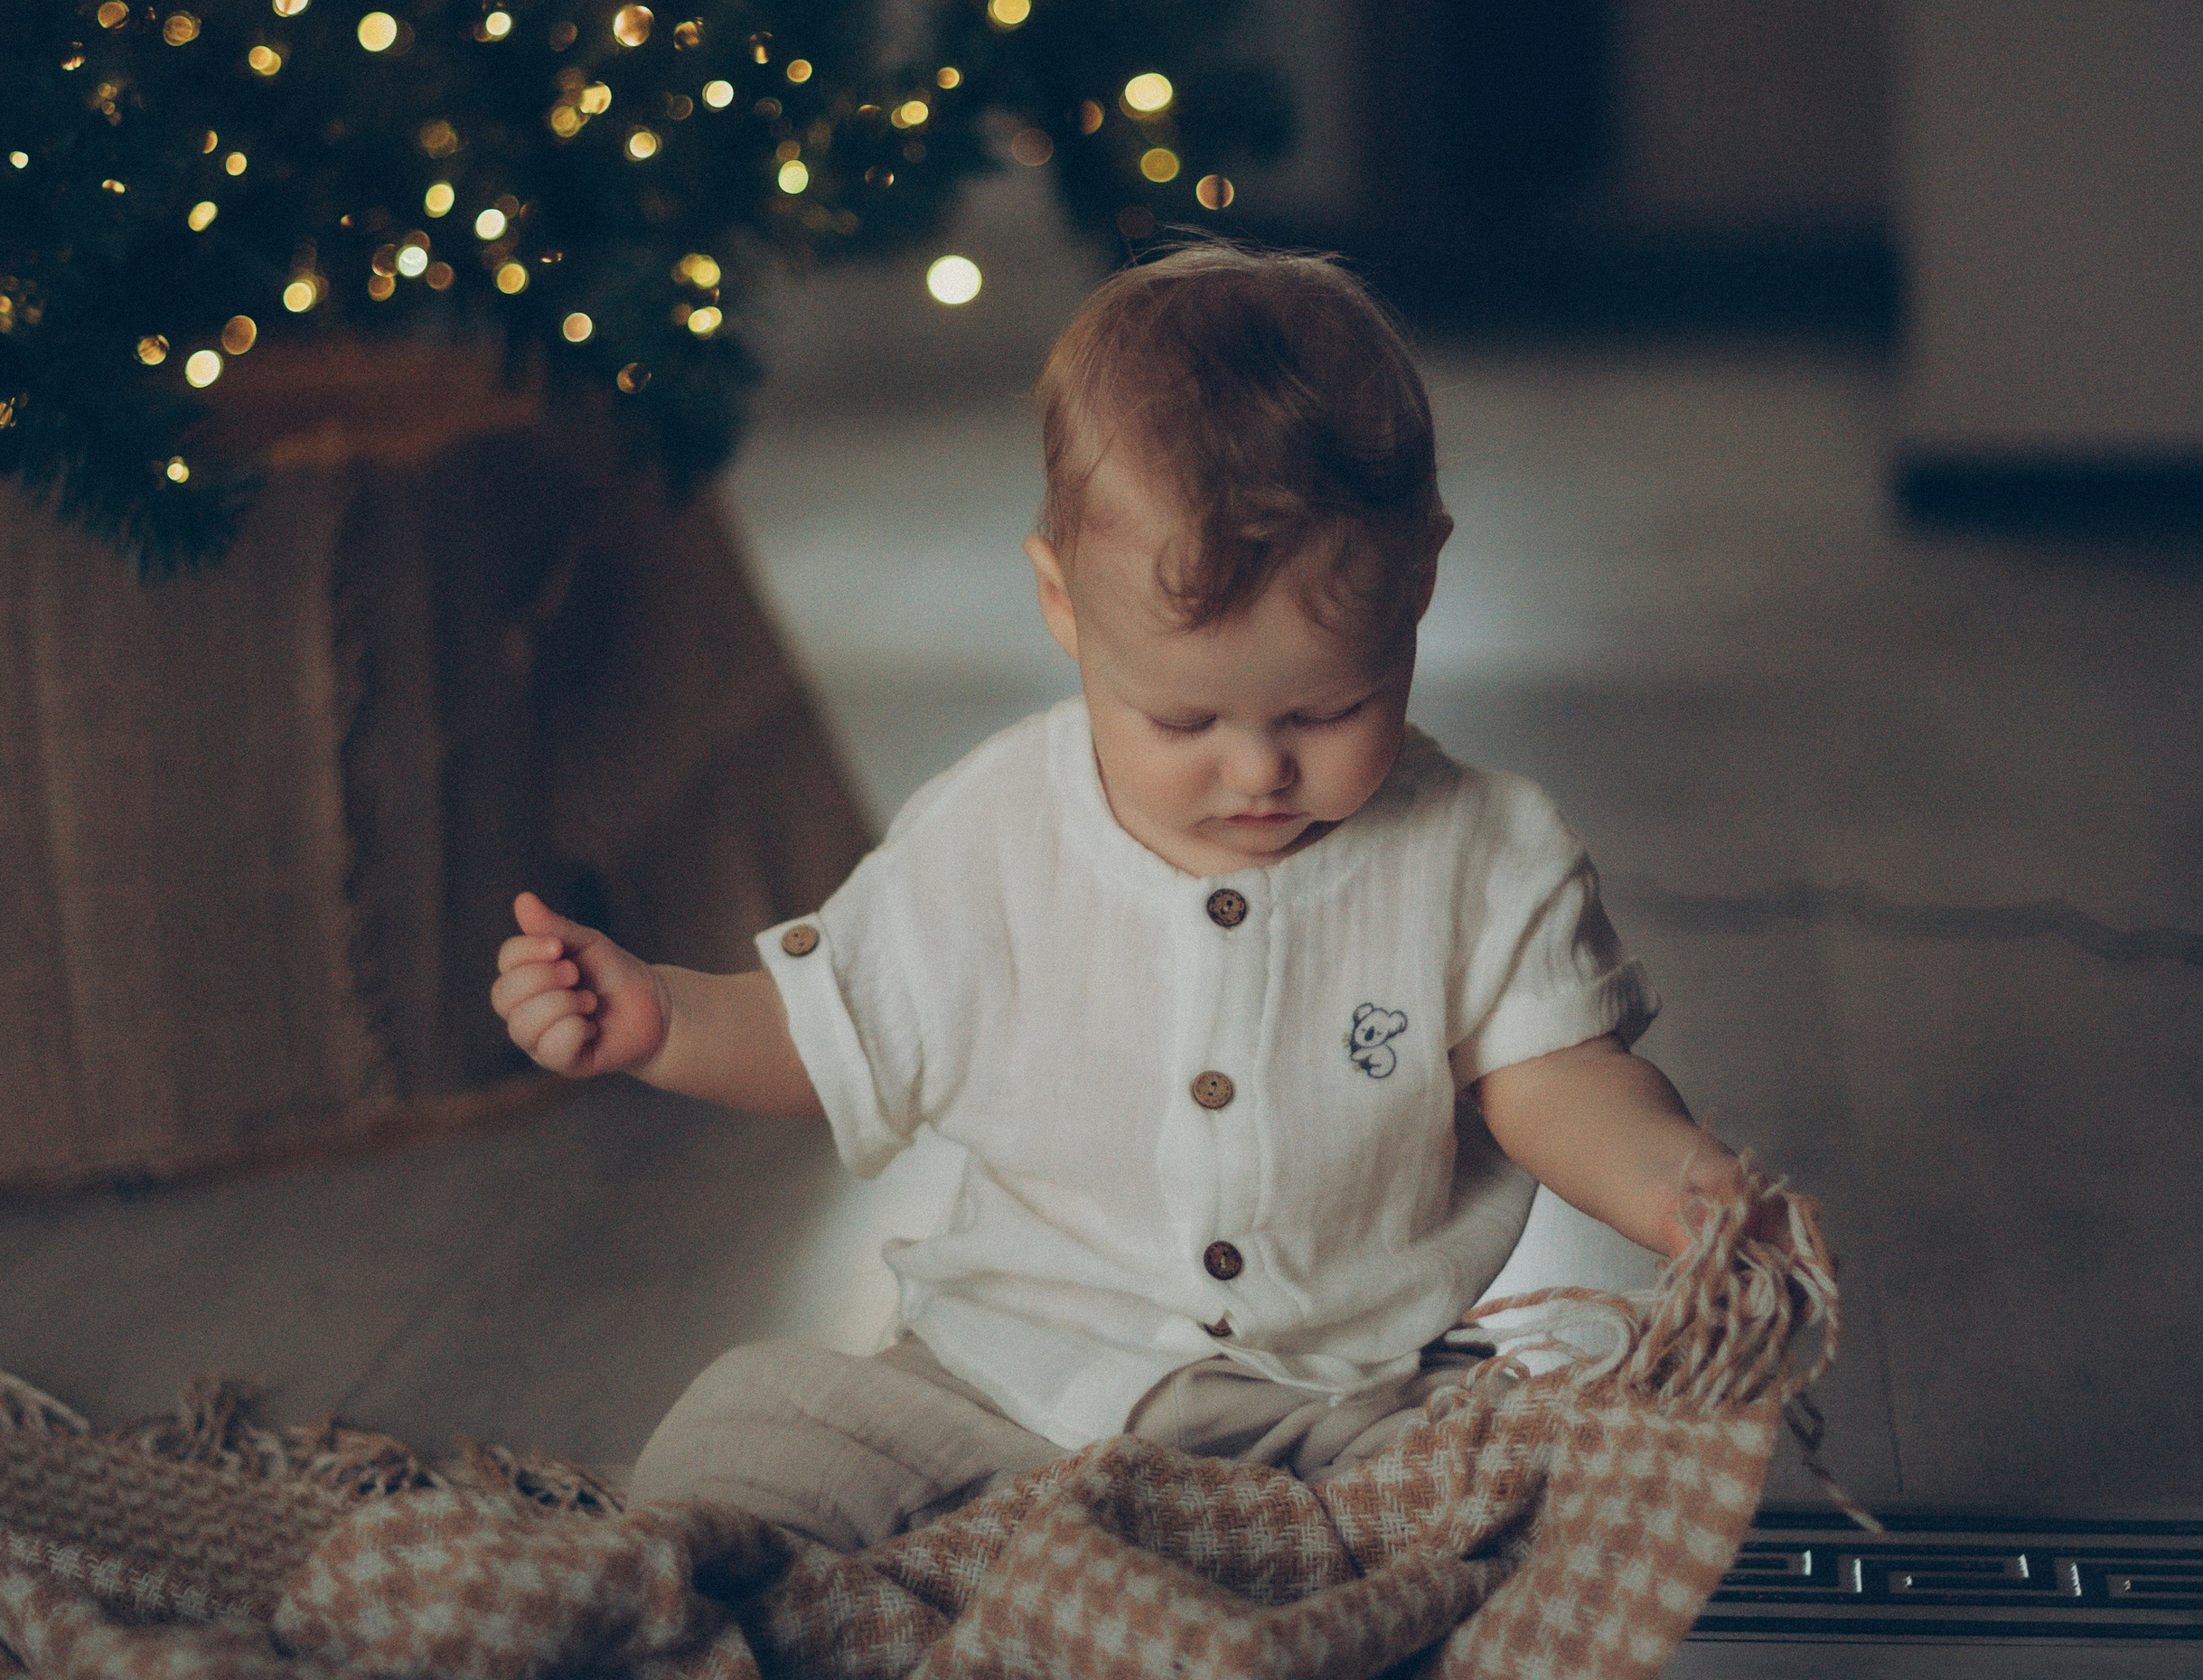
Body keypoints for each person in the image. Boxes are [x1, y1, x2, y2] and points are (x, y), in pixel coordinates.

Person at [492, 243, 1742, 1550]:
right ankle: (784, 1580)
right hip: (1009, 1375)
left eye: (1330, 708)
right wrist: (659, 1019)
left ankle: (1189, 1598)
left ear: (1420, 580)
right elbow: (836, 1027)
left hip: (1337, 1402)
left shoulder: (1486, 852)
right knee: (748, 1431)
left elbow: (1558, 1080)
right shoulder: (995, 829)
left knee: (1519, 1494)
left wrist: (1680, 1191)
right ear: (1064, 607)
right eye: (1185, 715)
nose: (1259, 769)